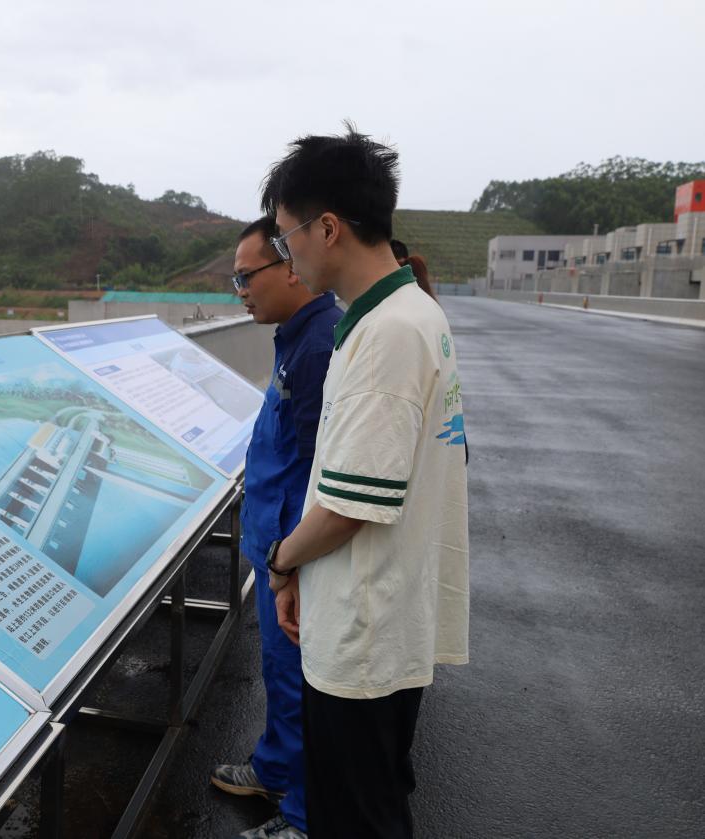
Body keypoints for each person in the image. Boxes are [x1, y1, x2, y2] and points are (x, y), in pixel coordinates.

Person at [261, 125, 470, 838]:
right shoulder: (411, 314)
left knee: (357, 818)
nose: (287, 254)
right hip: (384, 618)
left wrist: (281, 561)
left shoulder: (386, 335)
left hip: (365, 632)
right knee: (374, 804)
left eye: (287, 235)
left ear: (327, 228)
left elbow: (350, 507)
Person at [212, 215, 340, 839]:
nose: (240, 290)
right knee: (281, 674)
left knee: (300, 681)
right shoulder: (297, 336)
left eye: (246, 276)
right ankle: (276, 769)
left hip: (294, 552)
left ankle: (304, 818)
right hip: (277, 545)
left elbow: (323, 471)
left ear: (290, 265)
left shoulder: (318, 347)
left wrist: (291, 561)